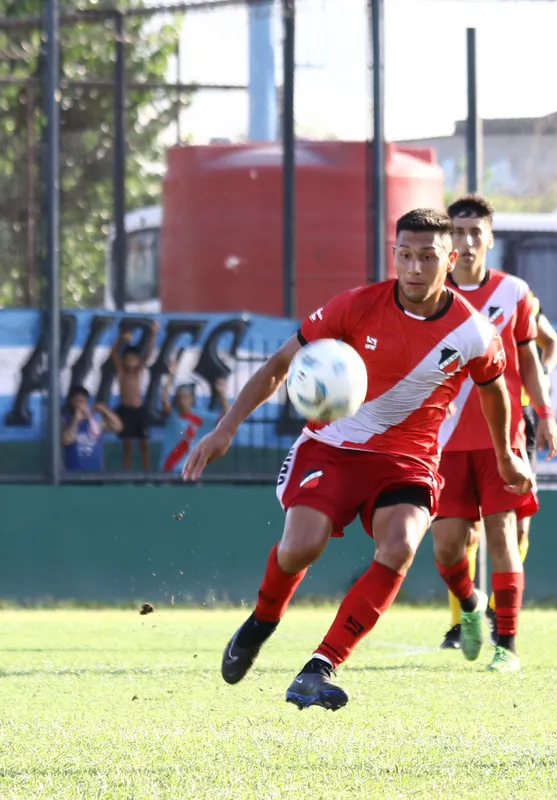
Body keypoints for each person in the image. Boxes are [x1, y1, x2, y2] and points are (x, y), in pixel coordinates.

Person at [183, 209, 532, 710]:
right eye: (404, 255)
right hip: (333, 447)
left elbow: (494, 390)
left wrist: (507, 456)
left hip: (408, 460)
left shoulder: (473, 331)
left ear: (450, 260)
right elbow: (282, 364)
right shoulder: (355, 306)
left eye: (427, 257)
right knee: (302, 547)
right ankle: (262, 620)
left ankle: (320, 666)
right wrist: (226, 427)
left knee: (402, 545)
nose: (414, 268)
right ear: (394, 254)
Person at [432, 194, 557, 673]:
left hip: (500, 436)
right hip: (442, 440)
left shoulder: (513, 293)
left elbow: (530, 356)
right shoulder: (430, 292)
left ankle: (506, 645)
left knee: (504, 533)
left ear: (489, 238)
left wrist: (544, 413)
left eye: (474, 233)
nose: (465, 243)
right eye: (457, 233)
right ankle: (468, 607)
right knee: (447, 546)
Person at [441, 294, 557, 651]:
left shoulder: (516, 298)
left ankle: (499, 612)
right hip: (463, 426)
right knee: (464, 536)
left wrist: (540, 380)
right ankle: (461, 623)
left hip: (515, 418)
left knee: (514, 528)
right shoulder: (439, 298)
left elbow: (550, 343)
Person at [160, 354, 229, 473]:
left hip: (190, 470)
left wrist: (222, 394)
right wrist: (171, 377)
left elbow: (228, 417)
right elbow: (164, 400)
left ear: (192, 398)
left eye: (185, 397)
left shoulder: (201, 417)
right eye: (180, 398)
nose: (182, 401)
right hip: (169, 468)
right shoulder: (173, 417)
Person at [111, 322, 157, 471]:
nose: (131, 361)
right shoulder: (122, 372)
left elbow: (149, 353)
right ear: (124, 360)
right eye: (128, 358)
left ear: (138, 360)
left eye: (134, 358)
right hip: (126, 410)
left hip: (139, 410)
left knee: (144, 443)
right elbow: (114, 354)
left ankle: (147, 471)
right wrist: (120, 339)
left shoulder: (139, 371)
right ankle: (127, 472)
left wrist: (153, 334)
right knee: (128, 443)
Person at [62, 386, 123, 472]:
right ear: (71, 402)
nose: (81, 405)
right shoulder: (65, 420)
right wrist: (76, 421)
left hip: (96, 474)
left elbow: (118, 427)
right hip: (73, 475)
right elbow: (66, 440)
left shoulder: (95, 421)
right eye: (78, 401)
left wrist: (103, 409)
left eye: (83, 401)